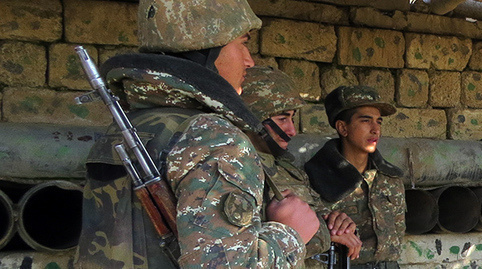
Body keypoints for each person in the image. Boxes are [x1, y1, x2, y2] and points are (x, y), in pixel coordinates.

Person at [75, 0, 321, 268]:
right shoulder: (212, 137)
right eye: (242, 43)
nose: (249, 61)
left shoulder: (136, 124)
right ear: (209, 50)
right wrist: (291, 234)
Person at [240, 66, 362, 268]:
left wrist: (340, 225)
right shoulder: (237, 169)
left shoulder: (288, 169)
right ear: (253, 119)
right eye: (282, 119)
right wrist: (326, 235)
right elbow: (240, 249)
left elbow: (320, 217)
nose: (292, 130)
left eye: (292, 118)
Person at [304, 86, 405, 269]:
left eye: (379, 122)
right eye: (366, 121)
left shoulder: (390, 179)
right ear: (343, 127)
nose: (375, 130)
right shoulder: (314, 178)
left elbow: (397, 236)